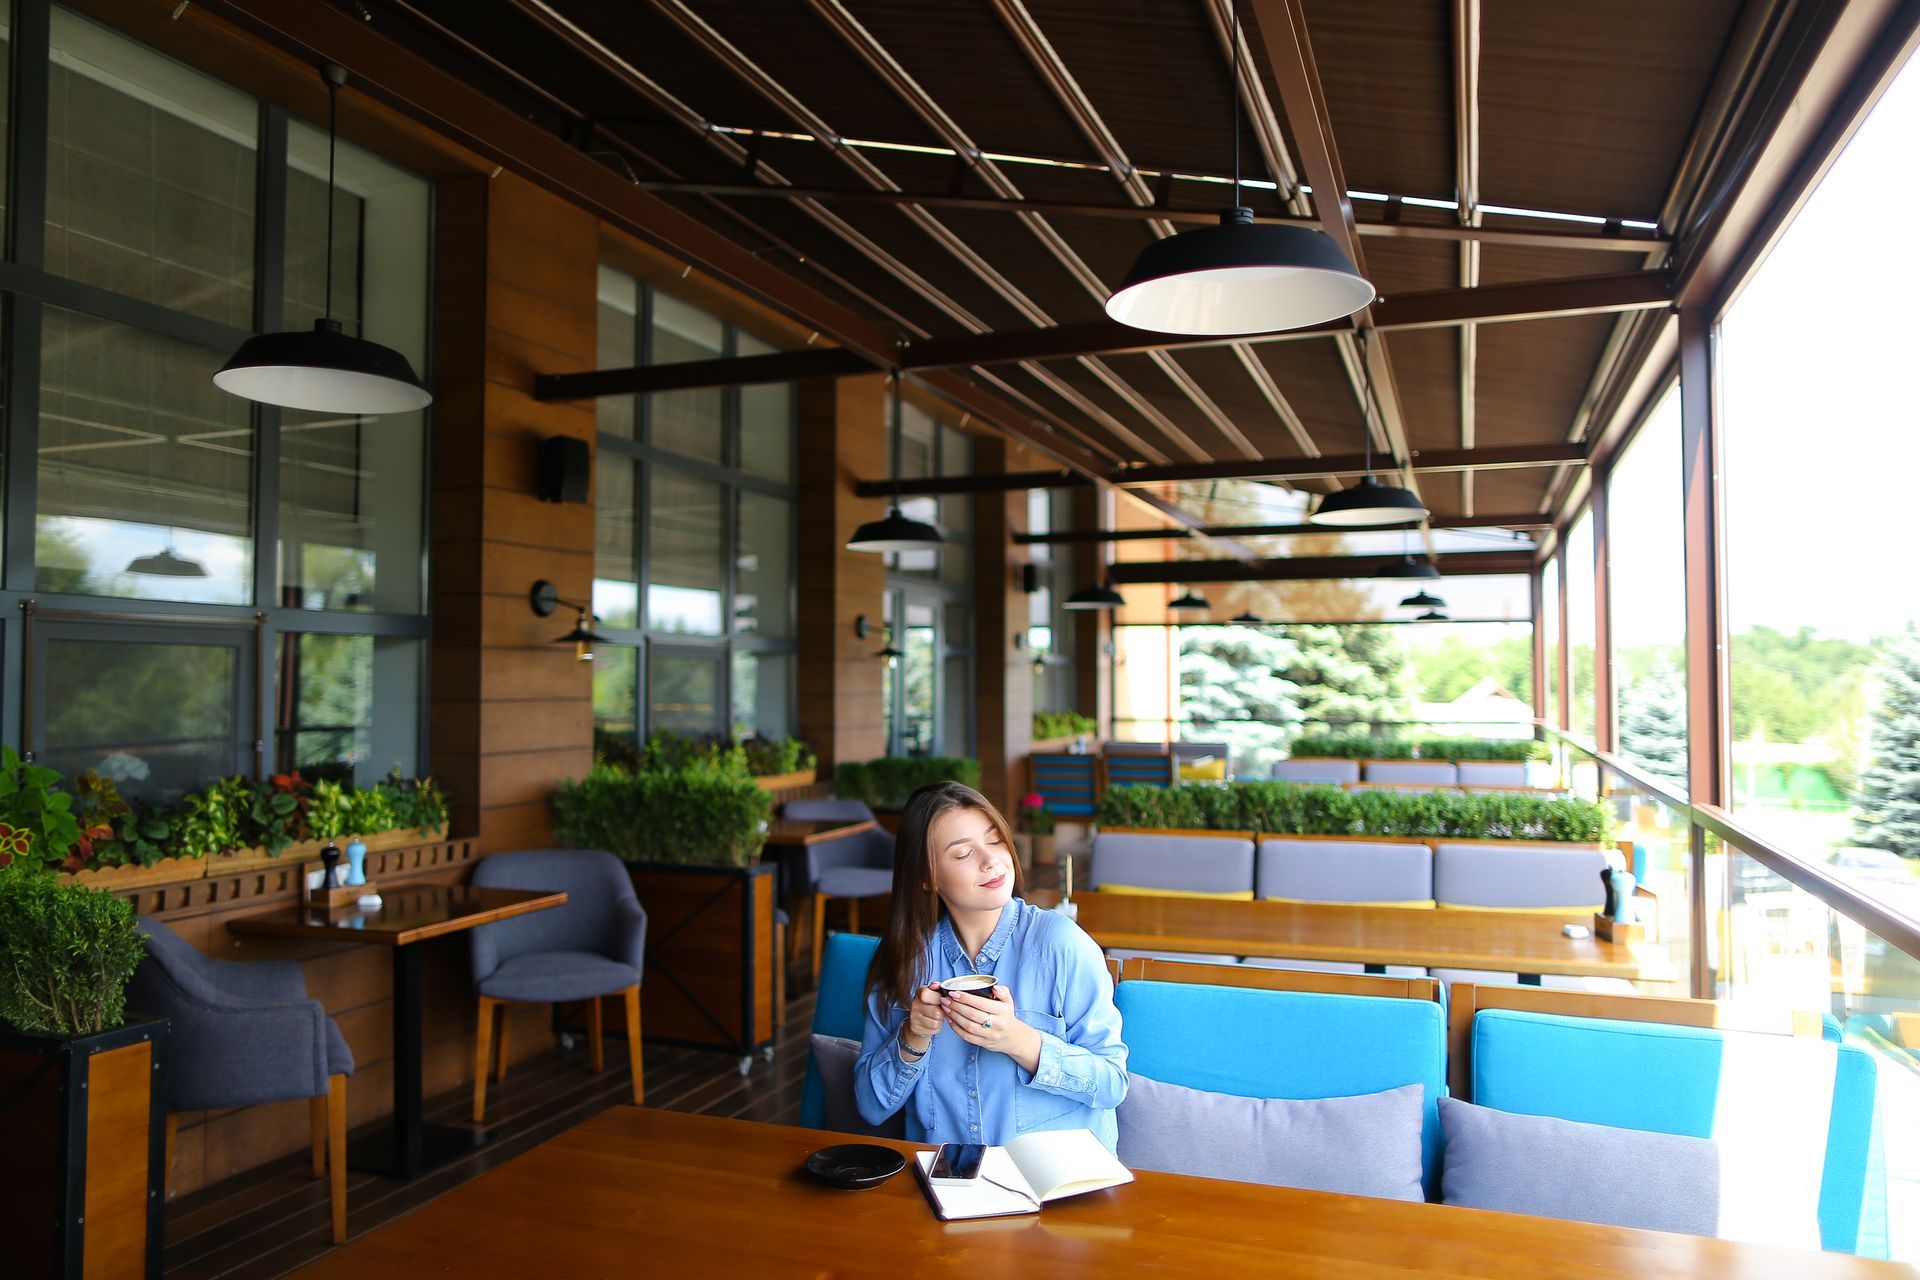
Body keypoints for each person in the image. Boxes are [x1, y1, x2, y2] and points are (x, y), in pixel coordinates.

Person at [855, 781, 1127, 1150]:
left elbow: (1113, 1083)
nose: (990, 860)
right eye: (964, 853)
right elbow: (870, 1108)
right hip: (948, 1176)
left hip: (1057, 1174)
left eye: (995, 840)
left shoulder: (1061, 944)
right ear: (926, 876)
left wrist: (1018, 1040)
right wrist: (912, 1036)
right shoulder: (907, 961)